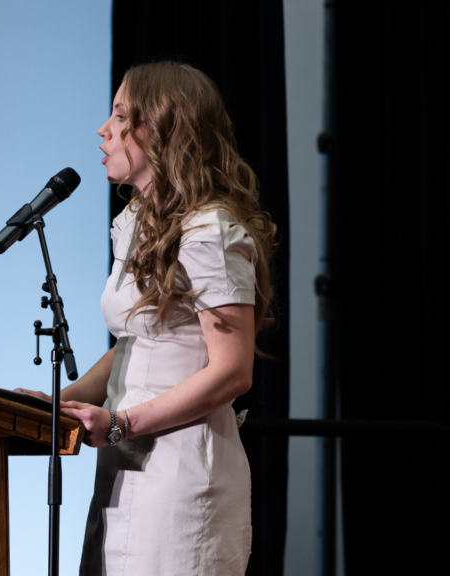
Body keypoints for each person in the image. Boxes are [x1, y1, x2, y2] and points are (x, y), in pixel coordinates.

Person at [17, 61, 276, 576]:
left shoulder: (211, 232)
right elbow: (136, 343)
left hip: (181, 475)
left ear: (160, 128)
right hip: (124, 464)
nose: (103, 129)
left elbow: (233, 371)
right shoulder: (137, 222)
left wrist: (120, 424)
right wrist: (58, 404)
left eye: (119, 115)